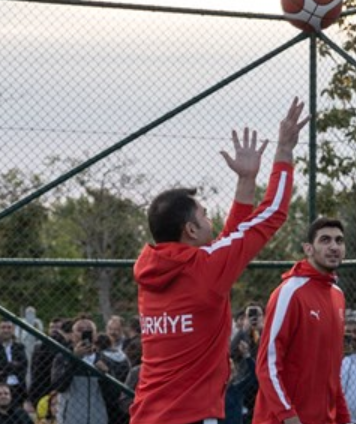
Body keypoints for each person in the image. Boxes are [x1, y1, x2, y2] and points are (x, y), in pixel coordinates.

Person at [129, 98, 309, 424]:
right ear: (190, 229)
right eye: (203, 213)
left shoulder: (154, 269)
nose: (209, 216)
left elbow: (227, 243)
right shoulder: (204, 268)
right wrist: (284, 150)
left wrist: (245, 181)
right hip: (192, 418)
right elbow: (273, 213)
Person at [254, 218, 351, 424]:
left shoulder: (338, 295)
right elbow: (267, 365)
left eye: (339, 241)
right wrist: (288, 416)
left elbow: (332, 374)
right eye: (325, 240)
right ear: (308, 248)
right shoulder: (289, 292)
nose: (334, 247)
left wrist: (343, 418)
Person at [51, 317, 107, 424]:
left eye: (89, 330)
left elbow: (113, 395)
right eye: (80, 330)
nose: (85, 333)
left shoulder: (103, 359)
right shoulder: (62, 357)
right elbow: (59, 386)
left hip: (98, 419)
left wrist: (107, 373)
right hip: (70, 419)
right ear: (72, 335)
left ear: (95, 335)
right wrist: (74, 359)